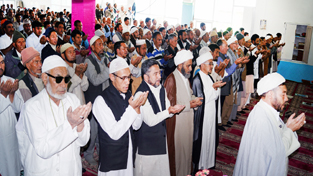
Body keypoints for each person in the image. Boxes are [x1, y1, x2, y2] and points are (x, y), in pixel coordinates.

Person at [16, 55, 92, 176]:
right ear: (45, 78)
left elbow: (83, 141)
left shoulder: (73, 100)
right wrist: (71, 124)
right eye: (58, 79)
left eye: (66, 79)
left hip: (70, 169)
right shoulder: (32, 107)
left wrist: (81, 123)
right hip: (43, 170)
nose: (63, 85)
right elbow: (43, 149)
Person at [233, 73, 306, 175]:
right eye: (283, 94)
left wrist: (287, 127)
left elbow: (274, 139)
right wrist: (290, 130)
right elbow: (276, 153)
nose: (286, 98)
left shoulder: (267, 111)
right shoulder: (261, 118)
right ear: (270, 94)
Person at [92, 57, 148, 176]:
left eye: (129, 77)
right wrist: (132, 109)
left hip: (128, 155)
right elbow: (114, 133)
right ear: (112, 77)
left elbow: (136, 126)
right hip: (112, 161)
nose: (127, 82)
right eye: (123, 78)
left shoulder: (127, 94)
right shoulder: (101, 101)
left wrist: (138, 107)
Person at [134, 59, 185, 176]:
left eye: (159, 72)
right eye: (155, 74)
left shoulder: (161, 88)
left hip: (161, 142)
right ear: (146, 77)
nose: (159, 76)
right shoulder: (140, 94)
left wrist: (173, 110)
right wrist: (169, 111)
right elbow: (150, 120)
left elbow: (168, 109)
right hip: (147, 146)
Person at [164, 50, 203, 176]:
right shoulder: (171, 79)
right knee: (178, 155)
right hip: (177, 125)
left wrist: (194, 100)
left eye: (191, 65)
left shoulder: (185, 78)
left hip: (187, 122)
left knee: (187, 152)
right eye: (188, 66)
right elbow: (170, 106)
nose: (190, 69)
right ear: (180, 65)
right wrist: (190, 104)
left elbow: (189, 94)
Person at [192, 52, 226, 172]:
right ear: (202, 65)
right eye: (210, 64)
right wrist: (213, 88)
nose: (212, 66)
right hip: (204, 116)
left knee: (211, 138)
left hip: (211, 114)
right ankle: (201, 164)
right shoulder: (197, 79)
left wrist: (215, 88)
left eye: (212, 63)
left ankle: (209, 162)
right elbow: (201, 99)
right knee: (204, 138)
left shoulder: (209, 77)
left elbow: (214, 96)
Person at [84, 36, 110, 166]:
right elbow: (95, 80)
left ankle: (101, 153)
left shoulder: (105, 59)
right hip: (93, 100)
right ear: (92, 47)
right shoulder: (88, 61)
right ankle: (88, 154)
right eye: (99, 44)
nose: (102, 47)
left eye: (102, 44)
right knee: (93, 130)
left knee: (102, 129)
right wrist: (108, 69)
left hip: (104, 100)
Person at [0, 54, 24, 176]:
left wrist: (12, 94)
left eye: (2, 62)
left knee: (12, 165)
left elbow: (19, 107)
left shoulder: (8, 80)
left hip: (10, 132)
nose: (1, 66)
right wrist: (3, 95)